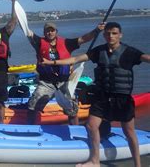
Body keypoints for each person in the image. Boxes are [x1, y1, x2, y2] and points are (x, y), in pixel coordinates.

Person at [41, 22, 150, 167]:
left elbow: (146, 57)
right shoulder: (99, 51)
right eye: (107, 33)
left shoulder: (129, 52)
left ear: (120, 35)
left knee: (129, 132)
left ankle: (138, 164)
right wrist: (51, 62)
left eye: (114, 33)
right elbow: (75, 59)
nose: (110, 36)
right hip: (102, 97)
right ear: (104, 35)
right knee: (92, 125)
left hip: (122, 99)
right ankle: (95, 160)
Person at [26, 22, 105, 125]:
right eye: (47, 31)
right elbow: (28, 32)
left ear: (56, 32)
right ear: (44, 33)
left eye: (52, 30)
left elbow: (83, 39)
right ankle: (31, 130)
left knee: (72, 109)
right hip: (46, 82)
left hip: (64, 83)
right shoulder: (39, 42)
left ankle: (74, 131)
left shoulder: (67, 43)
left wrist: (96, 30)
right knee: (33, 105)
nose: (50, 33)